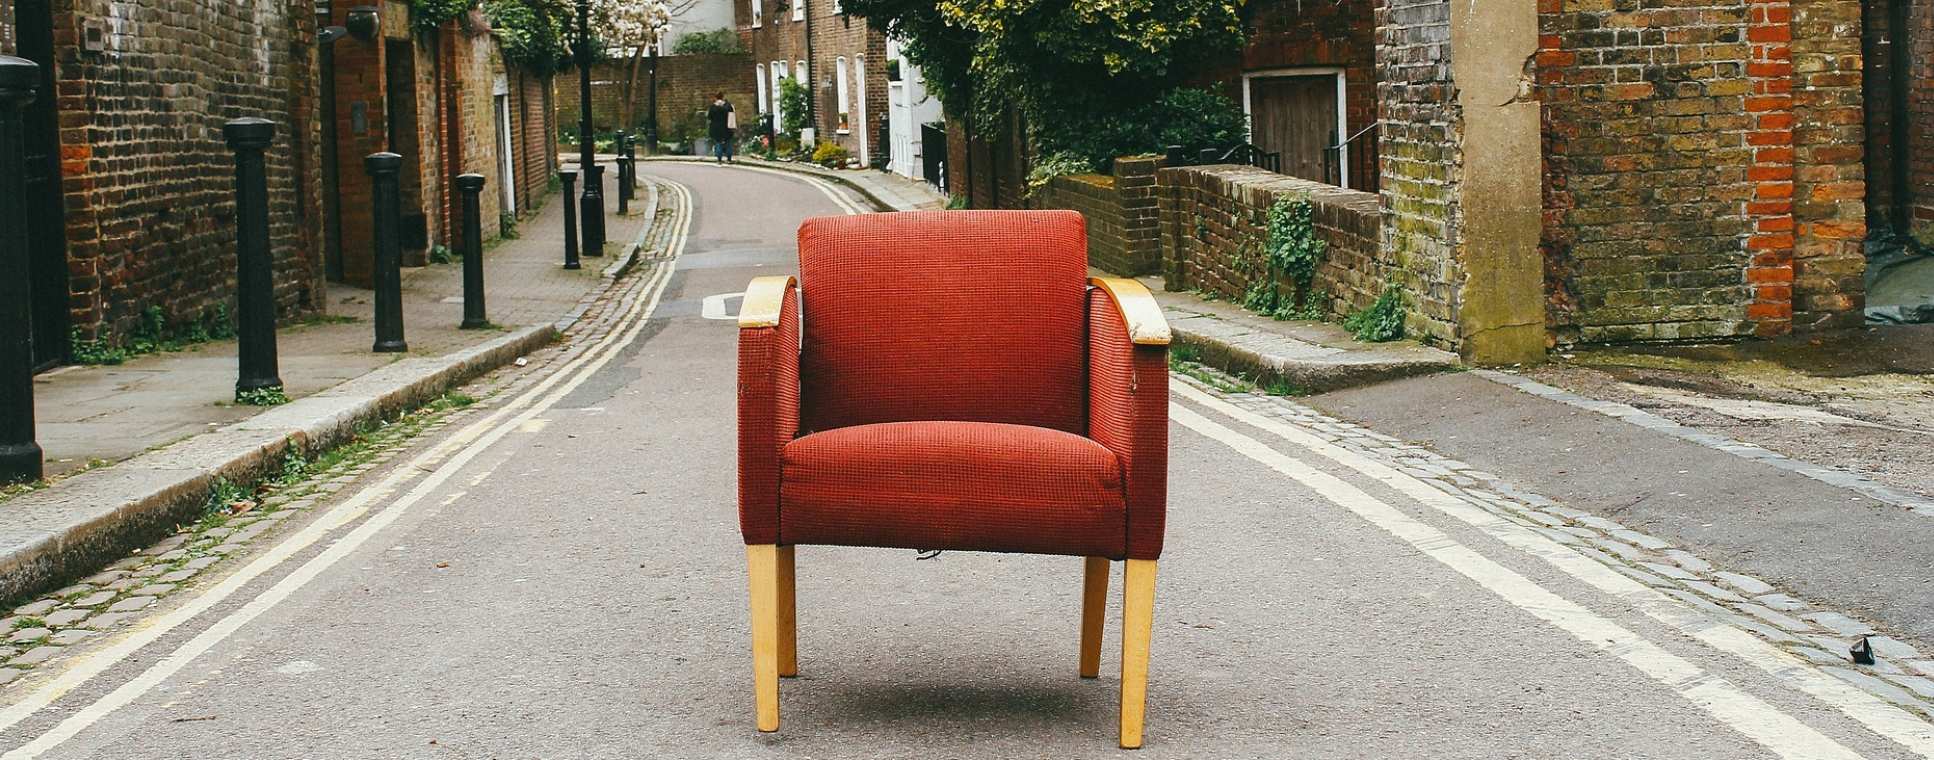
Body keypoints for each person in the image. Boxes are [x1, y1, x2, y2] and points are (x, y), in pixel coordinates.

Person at [707, 93, 736, 164]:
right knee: (728, 142)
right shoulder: (728, 106)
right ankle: (729, 159)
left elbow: (709, 117)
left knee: (718, 142)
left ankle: (719, 160)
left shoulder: (713, 107)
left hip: (716, 128)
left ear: (716, 98)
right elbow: (732, 115)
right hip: (727, 127)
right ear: (723, 97)